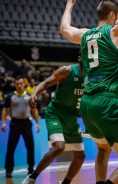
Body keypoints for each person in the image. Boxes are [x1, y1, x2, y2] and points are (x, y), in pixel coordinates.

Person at [59, 0, 118, 183]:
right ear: (112, 15)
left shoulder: (85, 35)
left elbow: (64, 29)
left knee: (103, 150)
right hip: (109, 102)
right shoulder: (117, 30)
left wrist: (70, 4)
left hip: (86, 104)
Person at [22, 54, 86, 184]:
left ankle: (65, 182)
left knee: (80, 156)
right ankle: (32, 177)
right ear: (79, 58)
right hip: (56, 113)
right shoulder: (66, 71)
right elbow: (45, 83)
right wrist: (34, 94)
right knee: (59, 147)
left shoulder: (94, 77)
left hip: (72, 117)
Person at [1, 76, 40, 178]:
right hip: (15, 124)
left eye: (21, 83)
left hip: (27, 124)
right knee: (11, 148)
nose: (19, 85)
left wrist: (38, 123)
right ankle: (8, 170)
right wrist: (3, 122)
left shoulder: (29, 96)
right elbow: (5, 110)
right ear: (15, 84)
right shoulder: (10, 97)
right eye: (17, 84)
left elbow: (34, 110)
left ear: (24, 84)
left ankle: (31, 169)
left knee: (30, 148)